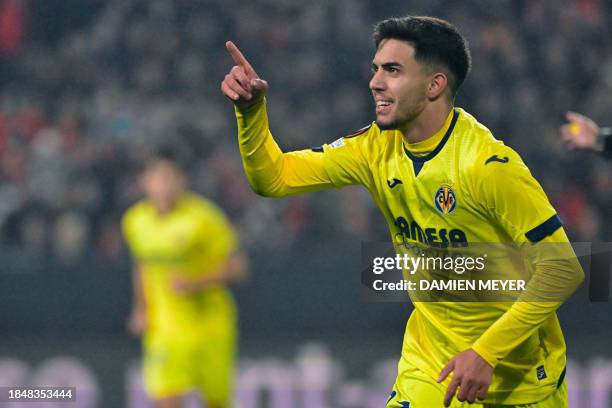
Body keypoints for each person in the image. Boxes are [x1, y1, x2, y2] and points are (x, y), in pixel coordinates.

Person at [221, 16, 584, 407]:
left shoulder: (486, 165)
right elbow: (274, 179)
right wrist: (251, 113)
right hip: (430, 367)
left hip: (520, 377)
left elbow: (564, 268)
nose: (375, 82)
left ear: (435, 85)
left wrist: (486, 352)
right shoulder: (374, 148)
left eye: (393, 70)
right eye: (376, 69)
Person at [122, 149, 248, 408]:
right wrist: (141, 308)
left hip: (211, 326)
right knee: (166, 399)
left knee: (217, 401)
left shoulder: (204, 218)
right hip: (165, 328)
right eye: (158, 177)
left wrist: (196, 282)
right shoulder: (135, 221)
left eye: (170, 177)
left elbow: (238, 268)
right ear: (144, 182)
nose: (164, 184)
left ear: (182, 181)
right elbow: (142, 265)